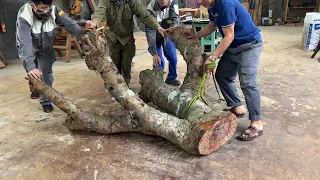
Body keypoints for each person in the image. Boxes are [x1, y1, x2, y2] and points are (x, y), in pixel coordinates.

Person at [184, 0, 263, 141]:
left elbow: (229, 35)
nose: (200, 2)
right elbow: (212, 26)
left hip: (249, 45)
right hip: (233, 46)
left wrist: (213, 57)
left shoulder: (226, 4)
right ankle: (236, 105)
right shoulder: (212, 6)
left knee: (248, 83)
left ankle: (256, 123)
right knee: (222, 76)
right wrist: (195, 36)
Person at [16, 0, 86, 112]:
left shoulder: (54, 10)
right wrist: (30, 66)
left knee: (45, 73)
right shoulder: (24, 15)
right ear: (33, 5)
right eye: (43, 8)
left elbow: (70, 24)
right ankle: (35, 89)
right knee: (32, 72)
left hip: (46, 47)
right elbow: (25, 42)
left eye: (49, 7)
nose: (47, 10)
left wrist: (84, 37)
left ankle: (46, 101)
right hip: (30, 46)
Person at [86, 0, 167, 86]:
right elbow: (99, 13)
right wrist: (94, 23)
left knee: (126, 65)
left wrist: (158, 27)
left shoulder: (133, 2)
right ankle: (115, 87)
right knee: (114, 64)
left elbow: (145, 15)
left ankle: (125, 87)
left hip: (127, 38)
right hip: (112, 38)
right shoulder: (106, 1)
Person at [145, 0, 181, 86]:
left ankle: (171, 78)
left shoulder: (173, 3)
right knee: (158, 60)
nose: (164, 0)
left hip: (168, 33)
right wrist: (154, 53)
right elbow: (150, 32)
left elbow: (175, 19)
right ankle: (158, 81)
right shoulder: (150, 9)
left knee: (172, 56)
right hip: (154, 34)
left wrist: (173, 29)